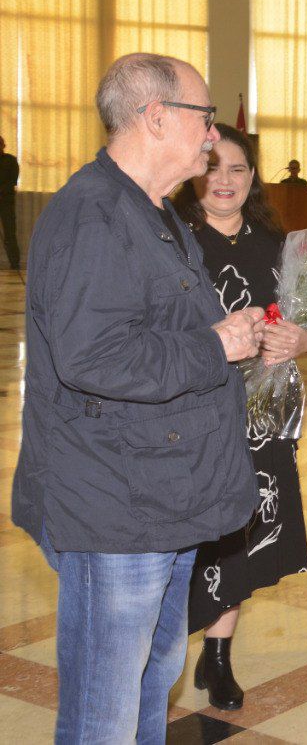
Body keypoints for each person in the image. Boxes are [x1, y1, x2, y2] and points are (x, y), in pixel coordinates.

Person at [10, 53, 263, 742]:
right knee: (105, 709)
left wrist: (227, 334)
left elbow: (158, 328)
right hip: (113, 509)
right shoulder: (93, 216)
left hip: (158, 497)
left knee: (150, 686)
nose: (213, 135)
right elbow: (94, 357)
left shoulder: (151, 211)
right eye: (205, 118)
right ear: (157, 118)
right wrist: (216, 345)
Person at [173, 124, 307, 711]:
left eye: (237, 170)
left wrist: (302, 338)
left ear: (253, 178)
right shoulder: (175, 241)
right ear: (194, 173)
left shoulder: (273, 243)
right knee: (195, 529)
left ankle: (218, 656)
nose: (225, 181)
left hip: (261, 414)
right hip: (193, 410)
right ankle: (167, 647)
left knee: (243, 529)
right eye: (213, 169)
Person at [0, 135, 19, 268]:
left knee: (10, 234)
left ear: (3, 145)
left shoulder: (11, 160)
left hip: (6, 202)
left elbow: (13, 180)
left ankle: (14, 263)